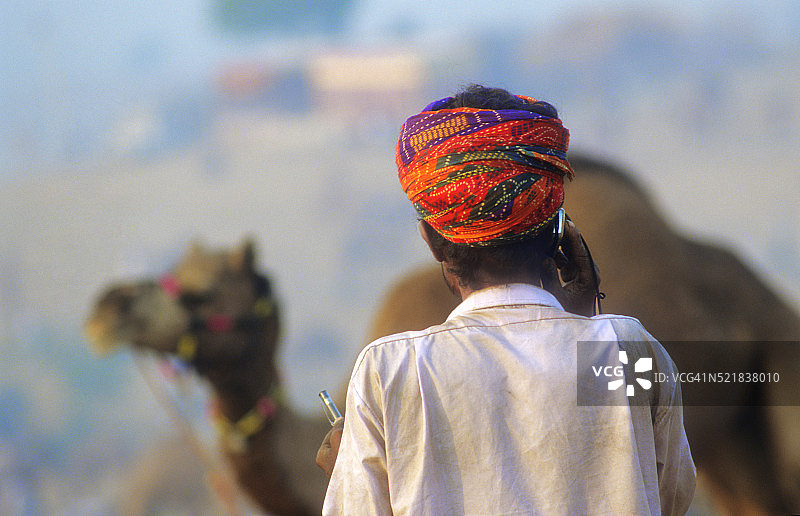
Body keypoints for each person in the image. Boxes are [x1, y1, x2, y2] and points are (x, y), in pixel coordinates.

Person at [317, 85, 696, 514]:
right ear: (558, 231)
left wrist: (347, 477)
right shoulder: (629, 348)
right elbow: (664, 497)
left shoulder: (389, 371)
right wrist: (583, 317)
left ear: (432, 241)